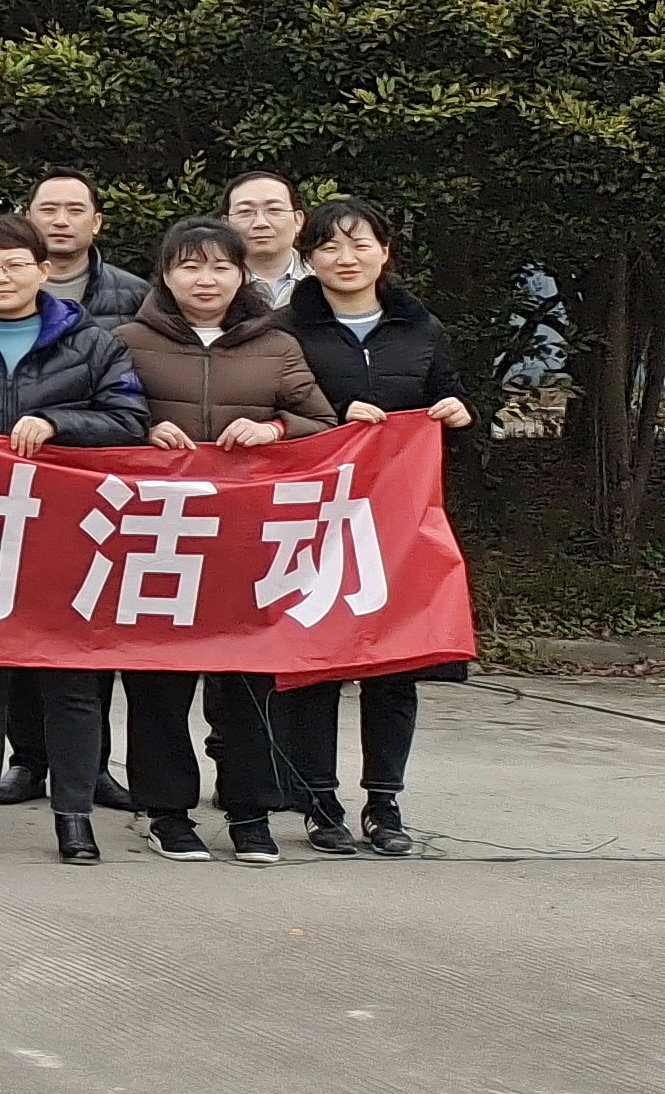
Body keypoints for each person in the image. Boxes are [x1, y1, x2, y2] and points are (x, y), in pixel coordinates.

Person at [0, 216, 148, 861]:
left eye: (15, 265)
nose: (2, 277)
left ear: (44, 271)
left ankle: (74, 817)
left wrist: (55, 422)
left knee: (72, 681)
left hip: (68, 533)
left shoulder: (95, 344)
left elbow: (130, 420)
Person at [118, 216, 336, 865]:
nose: (205, 279)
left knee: (247, 683)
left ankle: (250, 812)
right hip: (160, 537)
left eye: (220, 266)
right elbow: (99, 417)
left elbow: (322, 424)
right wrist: (140, 430)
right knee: (159, 684)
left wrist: (274, 432)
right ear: (165, 275)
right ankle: (166, 812)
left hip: (248, 542)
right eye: (189, 266)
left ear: (242, 274)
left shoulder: (276, 344)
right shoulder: (126, 341)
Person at [276, 198, 473, 856]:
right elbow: (273, 408)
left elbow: (451, 402)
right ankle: (318, 802)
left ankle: (384, 803)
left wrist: (456, 412)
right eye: (329, 246)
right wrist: (335, 418)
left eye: (361, 244)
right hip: (313, 517)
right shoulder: (284, 330)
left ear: (385, 253)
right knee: (315, 663)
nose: (346, 258)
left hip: (397, 521)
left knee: (394, 662)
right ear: (309, 258)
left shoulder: (421, 328)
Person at [25, 169, 148, 321]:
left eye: (75, 211)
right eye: (48, 210)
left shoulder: (136, 294)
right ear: (28, 220)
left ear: (96, 223)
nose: (61, 221)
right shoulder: (1, 288)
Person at [223, 170, 309, 301]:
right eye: (245, 211)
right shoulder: (212, 285)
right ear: (226, 224)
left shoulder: (325, 279)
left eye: (274, 209)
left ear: (298, 220)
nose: (260, 223)